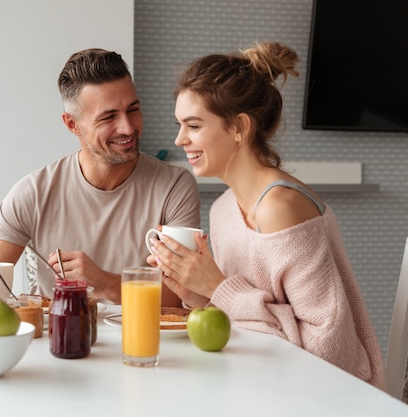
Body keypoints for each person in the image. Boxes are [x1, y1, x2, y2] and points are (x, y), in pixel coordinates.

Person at [147, 42, 385, 389]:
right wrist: (197, 292)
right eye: (180, 125)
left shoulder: (280, 208)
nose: (179, 138)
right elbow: (251, 320)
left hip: (330, 396)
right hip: (264, 384)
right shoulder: (224, 209)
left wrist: (218, 287)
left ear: (239, 127)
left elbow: (333, 354)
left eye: (193, 126)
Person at [0, 48, 201, 308]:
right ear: (72, 124)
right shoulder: (34, 192)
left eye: (133, 109)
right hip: (58, 348)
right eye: (108, 118)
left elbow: (180, 295)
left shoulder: (174, 186)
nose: (127, 127)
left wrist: (106, 283)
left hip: (139, 350)